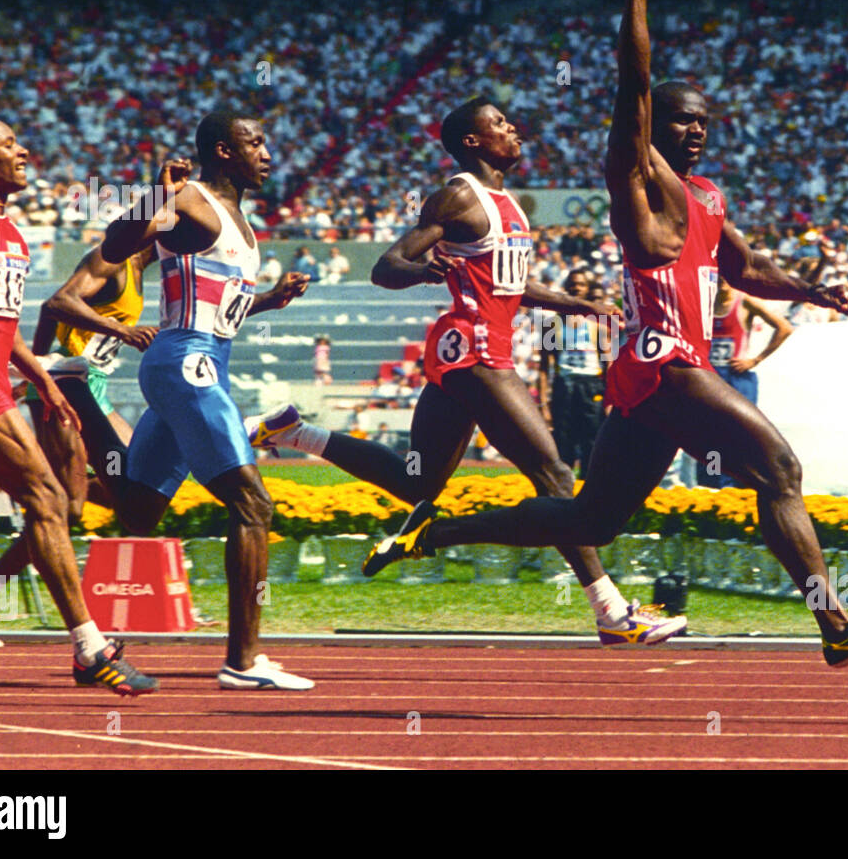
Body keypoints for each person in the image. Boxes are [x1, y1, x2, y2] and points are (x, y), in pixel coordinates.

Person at [359, 0, 848, 666]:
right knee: (780, 471)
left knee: (593, 517)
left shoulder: (708, 197)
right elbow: (634, 83)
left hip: (656, 377)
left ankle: (439, 531)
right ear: (654, 129)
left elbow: (748, 270)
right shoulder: (635, 181)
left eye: (703, 124)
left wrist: (814, 289)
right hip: (665, 361)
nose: (693, 132)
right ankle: (838, 628)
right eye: (681, 121)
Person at [245, 96, 686, 645]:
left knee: (417, 481)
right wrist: (424, 269)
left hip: (476, 351)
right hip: (474, 349)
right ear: (474, 141)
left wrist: (572, 304)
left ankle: (295, 432)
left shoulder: (510, 205)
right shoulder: (459, 195)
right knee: (553, 474)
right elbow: (388, 268)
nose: (513, 128)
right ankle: (612, 612)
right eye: (499, 124)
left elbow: (509, 283)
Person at [0, 113, 157, 694]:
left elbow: (5, 325)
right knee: (49, 496)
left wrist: (42, 380)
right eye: (9, 146)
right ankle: (89, 649)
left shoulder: (13, 230)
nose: (23, 153)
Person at [74, 111, 314, 689]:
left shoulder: (238, 220)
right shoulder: (192, 202)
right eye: (254, 141)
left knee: (135, 510)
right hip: (186, 363)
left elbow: (219, 305)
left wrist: (268, 303)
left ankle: (68, 438)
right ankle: (243, 660)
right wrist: (158, 192)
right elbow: (116, 241)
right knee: (254, 505)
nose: (267, 152)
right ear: (223, 151)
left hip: (201, 361)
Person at [0, 242, 159, 648]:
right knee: (68, 507)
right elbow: (55, 304)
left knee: (137, 487)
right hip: (65, 382)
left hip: (92, 384)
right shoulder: (113, 261)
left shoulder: (140, 275)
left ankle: (20, 478)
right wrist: (43, 372)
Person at [698, 281, 791, 488]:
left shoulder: (744, 302)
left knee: (740, 433)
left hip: (736, 378)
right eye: (718, 278)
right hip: (709, 378)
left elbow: (784, 328)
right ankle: (713, 483)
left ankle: (743, 482)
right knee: (709, 435)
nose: (722, 284)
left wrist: (755, 360)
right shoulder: (703, 303)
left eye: (725, 279)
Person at [538, 267, 612, 476]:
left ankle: (589, 491)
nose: (575, 288)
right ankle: (564, 493)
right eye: (572, 284)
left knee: (593, 440)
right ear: (565, 288)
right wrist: (544, 401)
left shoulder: (598, 322)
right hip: (565, 384)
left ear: (587, 289)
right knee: (563, 441)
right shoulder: (551, 323)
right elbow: (545, 365)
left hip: (592, 384)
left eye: (580, 284)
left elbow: (609, 360)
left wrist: (611, 394)